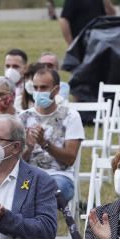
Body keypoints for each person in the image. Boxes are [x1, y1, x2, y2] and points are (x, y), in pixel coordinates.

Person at [19, 67, 83, 205]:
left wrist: (45, 144)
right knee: (16, 189)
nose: (39, 92)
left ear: (56, 90)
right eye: (35, 88)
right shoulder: (23, 118)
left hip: (59, 175)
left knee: (49, 190)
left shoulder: (70, 116)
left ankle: (42, 224)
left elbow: (70, 159)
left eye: (43, 88)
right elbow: (14, 162)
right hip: (28, 176)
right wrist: (29, 149)